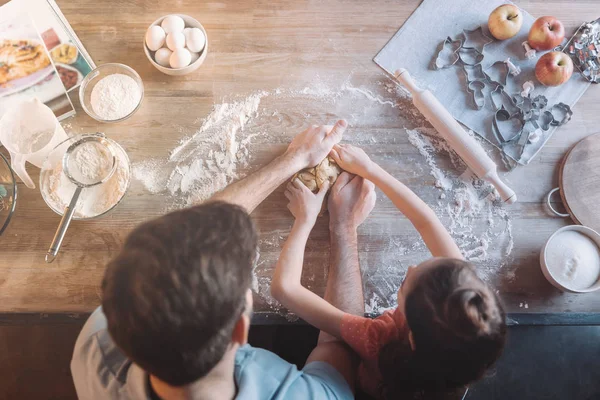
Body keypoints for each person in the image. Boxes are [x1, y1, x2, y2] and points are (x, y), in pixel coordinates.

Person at [70, 121, 366, 399]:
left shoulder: (96, 349)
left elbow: (189, 240)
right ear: (240, 329)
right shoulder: (297, 394)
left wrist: (294, 159)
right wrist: (343, 225)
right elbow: (340, 346)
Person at [271, 143, 507, 399]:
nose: (411, 268)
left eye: (406, 285)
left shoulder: (378, 340)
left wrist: (305, 219)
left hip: (381, 385)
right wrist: (370, 169)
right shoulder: (464, 311)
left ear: (411, 334)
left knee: (331, 350)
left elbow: (285, 288)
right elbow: (426, 221)